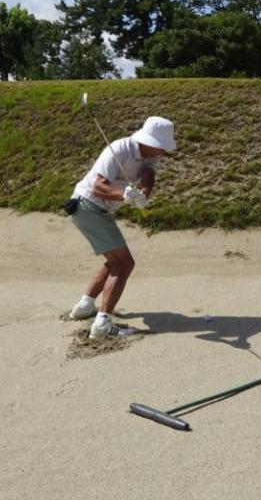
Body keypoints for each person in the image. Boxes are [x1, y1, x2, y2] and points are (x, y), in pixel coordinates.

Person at [66, 116, 177, 338]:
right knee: (125, 263)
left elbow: (148, 174)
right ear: (150, 143)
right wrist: (123, 195)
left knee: (114, 261)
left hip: (96, 211)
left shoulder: (150, 155)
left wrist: (144, 194)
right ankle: (102, 325)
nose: (162, 152)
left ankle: (85, 306)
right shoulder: (119, 148)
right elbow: (98, 186)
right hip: (87, 206)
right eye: (161, 147)